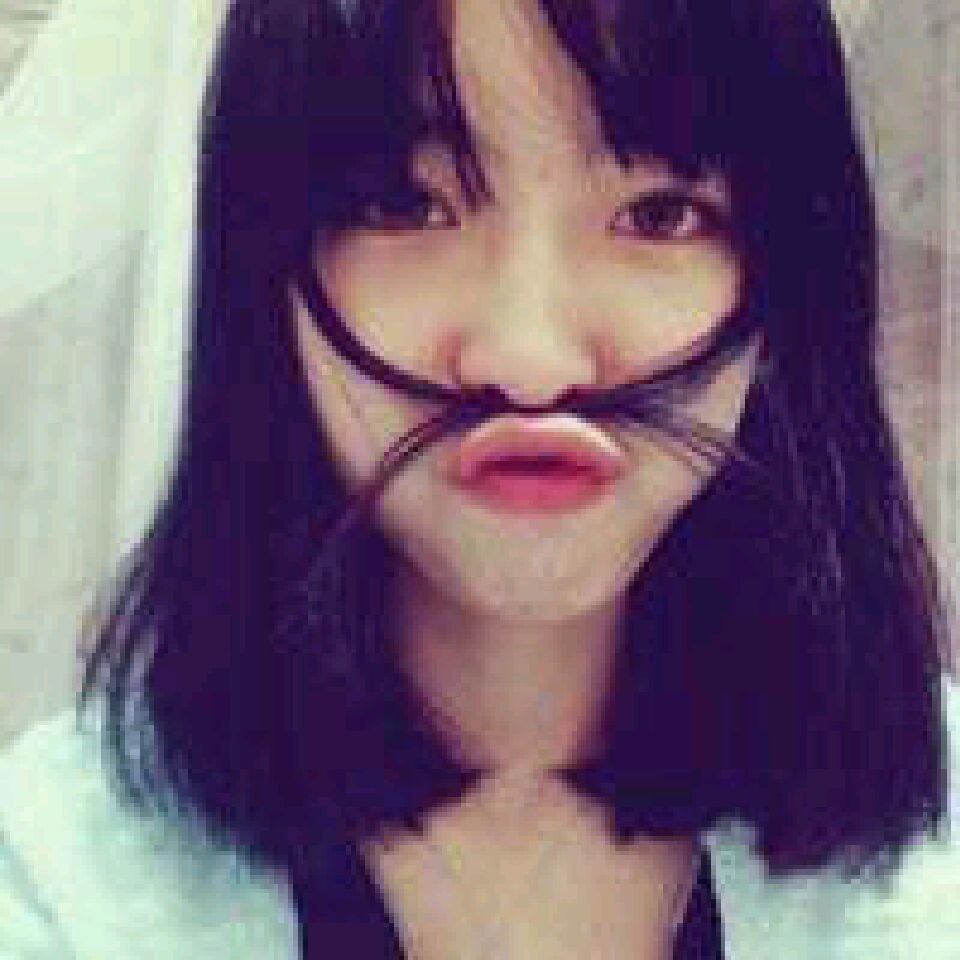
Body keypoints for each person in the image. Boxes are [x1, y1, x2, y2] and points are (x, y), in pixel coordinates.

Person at [1, 0, 958, 957]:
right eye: (403, 204)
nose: (530, 363)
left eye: (659, 214)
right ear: (267, 277)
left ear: (788, 285)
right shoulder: (54, 878)